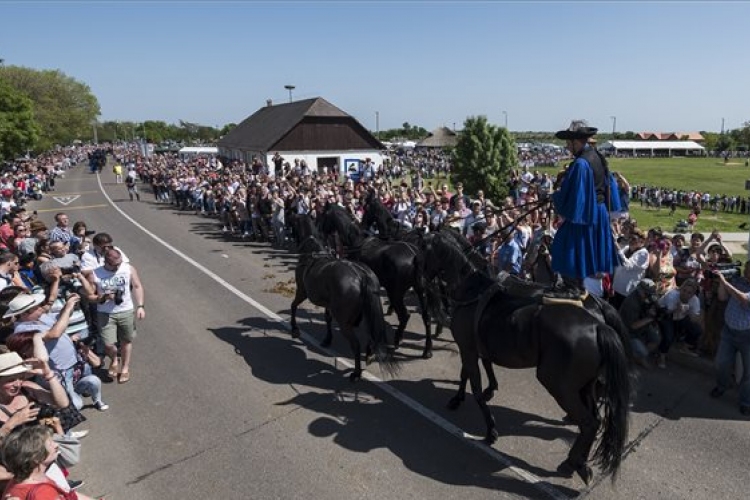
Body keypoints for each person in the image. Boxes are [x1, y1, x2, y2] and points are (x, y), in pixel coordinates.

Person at [549, 121, 619, 297]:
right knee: (580, 249)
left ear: (576, 141)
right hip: (598, 211)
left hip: (586, 213)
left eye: (568, 142)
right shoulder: (598, 156)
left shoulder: (581, 163)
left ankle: (571, 287)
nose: (567, 146)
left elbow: (575, 196)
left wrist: (555, 197)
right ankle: (577, 285)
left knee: (564, 243)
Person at [87, 249, 145, 384]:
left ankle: (125, 368)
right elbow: (89, 296)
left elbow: (137, 286)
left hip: (126, 310)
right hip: (105, 313)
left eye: (119, 263)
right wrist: (102, 298)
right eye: (115, 264)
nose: (118, 266)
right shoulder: (95, 274)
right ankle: (114, 359)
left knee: (126, 341)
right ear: (106, 262)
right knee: (108, 344)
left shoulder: (128, 268)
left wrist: (141, 306)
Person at [1, 425, 100, 500]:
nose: (56, 445)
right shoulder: (43, 493)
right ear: (36, 458)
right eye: (50, 444)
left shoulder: (30, 477)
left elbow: (69, 493)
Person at [710, 261, 750, 416]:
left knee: (749, 374)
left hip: (747, 336)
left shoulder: (735, 284)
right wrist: (721, 281)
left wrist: (725, 281)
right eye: (746, 268)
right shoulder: (738, 281)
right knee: (721, 363)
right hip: (728, 331)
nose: (746, 271)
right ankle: (722, 386)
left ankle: (746, 401)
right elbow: (721, 297)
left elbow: (744, 300)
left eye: (749, 269)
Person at [618, 278, 662, 368]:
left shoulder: (644, 297)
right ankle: (633, 357)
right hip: (628, 331)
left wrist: (655, 309)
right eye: (648, 293)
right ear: (640, 291)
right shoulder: (631, 303)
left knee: (656, 339)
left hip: (642, 324)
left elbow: (653, 304)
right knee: (643, 351)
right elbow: (633, 326)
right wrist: (650, 318)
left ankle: (638, 356)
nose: (650, 296)